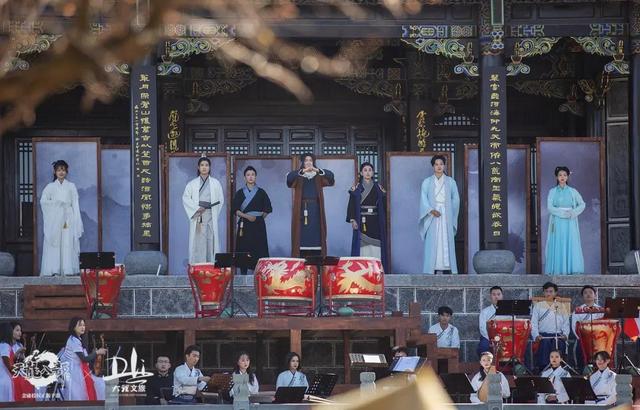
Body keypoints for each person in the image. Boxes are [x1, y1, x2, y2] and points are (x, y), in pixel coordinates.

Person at [40, 160, 83, 276]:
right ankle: (54, 268)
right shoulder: (50, 187)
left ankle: (67, 269)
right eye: (58, 170)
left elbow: (75, 204)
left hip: (68, 217)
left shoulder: (71, 186)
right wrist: (57, 204)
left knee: (67, 241)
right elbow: (43, 202)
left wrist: (77, 220)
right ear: (55, 172)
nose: (61, 172)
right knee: (55, 242)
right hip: (54, 219)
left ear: (66, 172)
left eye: (63, 170)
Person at [286, 153, 334, 257]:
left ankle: (317, 258)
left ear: (313, 162)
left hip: (316, 210)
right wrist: (303, 171)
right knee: (300, 234)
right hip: (301, 210)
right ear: (303, 163)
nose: (308, 162)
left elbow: (331, 178)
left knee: (317, 233)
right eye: (306, 160)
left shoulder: (318, 176)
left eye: (310, 160)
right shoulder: (299, 175)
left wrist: (317, 170)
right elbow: (289, 179)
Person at [418, 155, 460, 274]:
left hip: (446, 214)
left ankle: (448, 267)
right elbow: (423, 198)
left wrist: (449, 210)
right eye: (436, 164)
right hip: (432, 215)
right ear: (433, 166)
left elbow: (456, 199)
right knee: (433, 241)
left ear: (444, 165)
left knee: (446, 239)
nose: (439, 166)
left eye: (441, 164)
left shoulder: (451, 182)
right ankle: (432, 268)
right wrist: (431, 210)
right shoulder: (427, 182)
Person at [544, 166, 586, 275]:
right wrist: (563, 214)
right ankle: (558, 270)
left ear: (567, 177)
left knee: (570, 242)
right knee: (558, 243)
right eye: (560, 175)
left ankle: (571, 269)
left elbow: (582, 204)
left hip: (570, 222)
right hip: (557, 221)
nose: (562, 177)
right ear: (556, 177)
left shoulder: (573, 191)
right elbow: (550, 207)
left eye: (564, 175)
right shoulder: (552, 191)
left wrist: (573, 212)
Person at [183, 157, 224, 264]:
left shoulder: (216, 183)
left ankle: (211, 265)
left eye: (206, 165)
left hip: (210, 214)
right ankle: (198, 265)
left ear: (209, 167)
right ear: (198, 167)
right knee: (198, 241)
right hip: (198, 215)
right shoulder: (192, 184)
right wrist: (196, 208)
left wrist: (214, 213)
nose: (204, 167)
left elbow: (220, 200)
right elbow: (186, 198)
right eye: (202, 165)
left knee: (211, 240)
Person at [347, 162, 388, 270]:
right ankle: (362, 270)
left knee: (376, 244)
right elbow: (352, 204)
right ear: (361, 173)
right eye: (365, 170)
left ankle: (376, 269)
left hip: (375, 221)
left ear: (373, 172)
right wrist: (353, 220)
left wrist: (384, 195)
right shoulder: (357, 188)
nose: (368, 172)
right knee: (361, 245)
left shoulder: (378, 187)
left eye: (370, 170)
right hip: (361, 220)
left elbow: (383, 205)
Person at [232, 166, 272, 274]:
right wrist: (247, 216)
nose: (250, 177)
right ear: (244, 177)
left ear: (256, 177)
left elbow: (268, 208)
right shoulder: (240, 193)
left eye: (253, 175)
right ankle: (243, 274)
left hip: (258, 225)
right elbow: (235, 210)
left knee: (259, 248)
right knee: (243, 248)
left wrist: (259, 218)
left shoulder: (261, 192)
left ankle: (260, 275)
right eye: (248, 175)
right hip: (244, 225)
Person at [60, 317, 107, 401]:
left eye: (84, 325)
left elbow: (86, 359)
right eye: (80, 325)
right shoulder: (73, 341)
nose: (82, 327)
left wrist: (94, 354)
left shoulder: (77, 339)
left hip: (76, 370)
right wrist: (97, 352)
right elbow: (84, 359)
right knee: (80, 394)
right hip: (73, 372)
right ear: (74, 327)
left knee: (98, 384)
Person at [531, 282, 569, 371]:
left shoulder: (561, 306)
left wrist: (565, 334)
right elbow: (533, 323)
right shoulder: (538, 306)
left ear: (555, 293)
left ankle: (559, 369)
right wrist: (536, 335)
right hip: (543, 335)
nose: (548, 293)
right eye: (546, 291)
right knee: (545, 344)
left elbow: (566, 323)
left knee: (559, 344)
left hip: (558, 335)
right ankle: (544, 369)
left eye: (551, 291)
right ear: (543, 293)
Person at [571, 285, 603, 370]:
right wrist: (582, 338)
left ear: (595, 295)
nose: (588, 294)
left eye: (590, 292)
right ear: (582, 296)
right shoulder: (578, 310)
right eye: (585, 293)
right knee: (582, 362)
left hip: (597, 340)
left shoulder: (600, 310)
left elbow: (604, 325)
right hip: (582, 340)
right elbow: (574, 327)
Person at [477, 286, 510, 357]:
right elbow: (482, 328)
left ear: (502, 296)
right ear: (490, 296)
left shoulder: (509, 311)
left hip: (505, 337)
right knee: (483, 347)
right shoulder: (485, 312)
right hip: (488, 337)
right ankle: (486, 364)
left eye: (498, 294)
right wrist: (490, 339)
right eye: (494, 294)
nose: (496, 297)